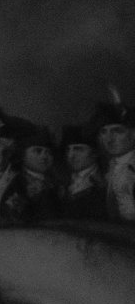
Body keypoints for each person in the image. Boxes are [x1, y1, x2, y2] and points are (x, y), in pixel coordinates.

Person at [93, 92, 135, 222]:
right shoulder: (109, 166)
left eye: (117, 131)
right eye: (104, 132)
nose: (109, 139)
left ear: (133, 134)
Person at [59, 122, 108, 219]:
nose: (71, 156)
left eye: (78, 149)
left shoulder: (106, 179)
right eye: (68, 150)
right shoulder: (63, 181)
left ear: (95, 153)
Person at [18, 123, 61, 221]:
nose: (44, 157)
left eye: (48, 152)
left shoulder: (56, 183)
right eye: (38, 151)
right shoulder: (16, 182)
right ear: (23, 155)